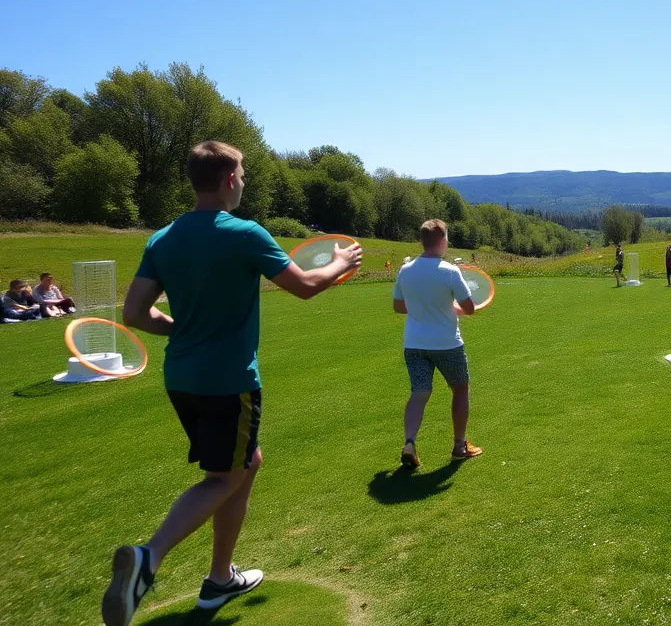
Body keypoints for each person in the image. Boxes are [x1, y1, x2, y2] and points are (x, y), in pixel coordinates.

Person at [101, 141, 362, 626]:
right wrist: (342, 264)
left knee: (247, 461)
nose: (242, 182)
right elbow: (304, 285)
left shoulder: (163, 238)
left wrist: (181, 328)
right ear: (228, 181)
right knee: (223, 477)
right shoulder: (243, 233)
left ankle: (220, 576)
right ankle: (148, 557)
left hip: (181, 377)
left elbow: (136, 313)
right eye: (241, 174)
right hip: (229, 380)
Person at [394, 218, 481, 471]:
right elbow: (469, 308)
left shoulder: (405, 270)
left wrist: (423, 307)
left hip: (414, 344)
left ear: (422, 241)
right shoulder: (450, 271)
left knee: (419, 393)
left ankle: (409, 443)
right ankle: (459, 446)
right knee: (460, 389)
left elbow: (398, 306)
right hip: (447, 344)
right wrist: (450, 308)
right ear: (442, 240)